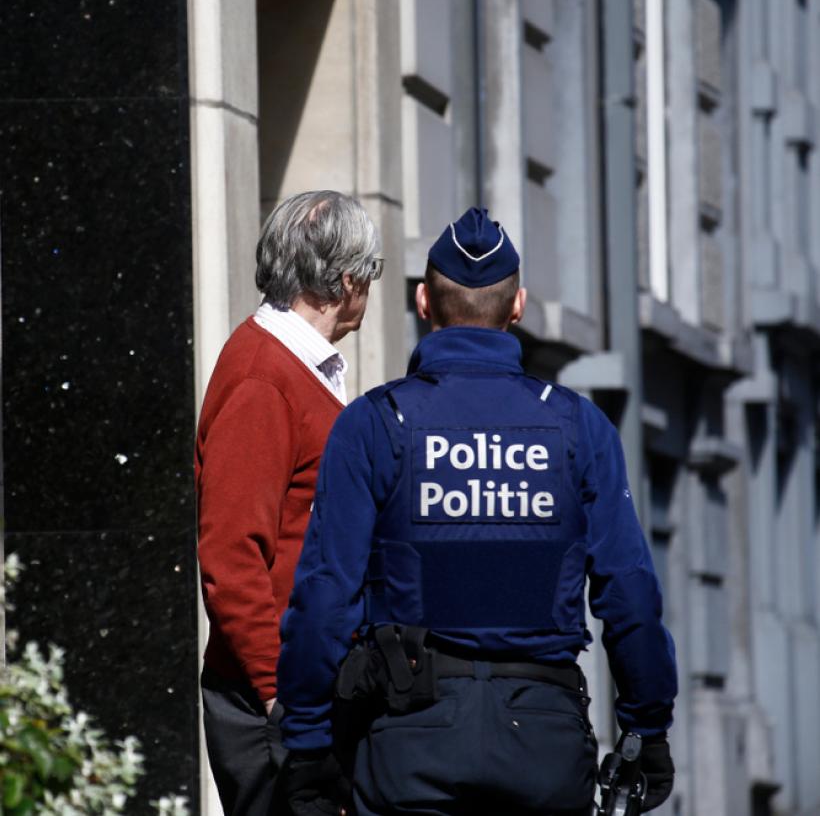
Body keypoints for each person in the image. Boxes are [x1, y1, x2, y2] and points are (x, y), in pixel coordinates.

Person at [277, 207, 677, 815]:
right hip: (543, 744)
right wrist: (646, 729)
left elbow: (327, 594)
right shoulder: (578, 426)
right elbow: (629, 594)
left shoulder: (375, 424)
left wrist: (307, 743)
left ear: (423, 302)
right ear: (517, 307)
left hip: (409, 742)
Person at [195, 190, 383, 815]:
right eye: (372, 275)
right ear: (349, 280)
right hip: (272, 702)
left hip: (298, 692)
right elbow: (230, 552)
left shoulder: (298, 366)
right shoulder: (264, 377)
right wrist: (279, 692)